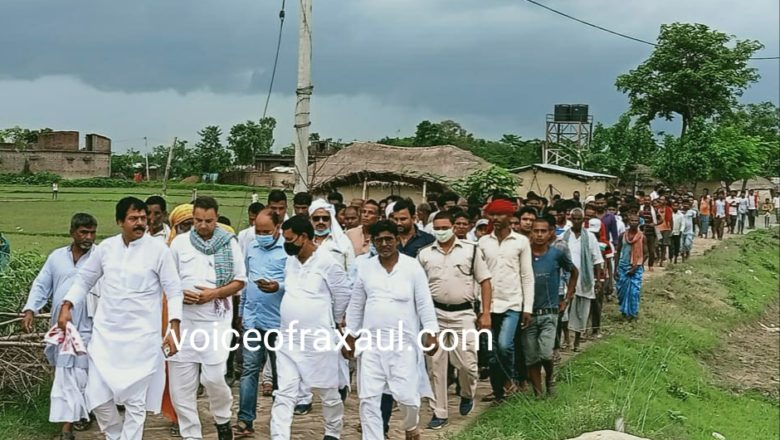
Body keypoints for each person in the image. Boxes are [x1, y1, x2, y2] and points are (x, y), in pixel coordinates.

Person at [57, 197, 184, 440]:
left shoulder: (159, 251)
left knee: (135, 403)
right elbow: (84, 280)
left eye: (143, 219)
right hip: (107, 337)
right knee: (98, 397)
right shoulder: (106, 248)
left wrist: (174, 324)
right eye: (133, 219)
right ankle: (115, 435)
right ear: (119, 221)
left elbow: (174, 290)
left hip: (142, 340)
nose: (140, 223)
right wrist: (67, 304)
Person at [345, 220, 440, 440]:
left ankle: (410, 428)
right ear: (373, 243)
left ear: (397, 240)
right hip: (371, 345)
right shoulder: (366, 268)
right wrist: (350, 336)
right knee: (369, 398)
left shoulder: (411, 267)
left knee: (408, 397)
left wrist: (431, 332)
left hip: (404, 344)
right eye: (380, 240)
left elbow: (424, 303)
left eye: (389, 239)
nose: (385, 244)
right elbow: (356, 305)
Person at [168, 196, 246, 440]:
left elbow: (240, 281)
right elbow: (167, 281)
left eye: (208, 221)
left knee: (213, 378)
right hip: (184, 321)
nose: (203, 226)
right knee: (180, 389)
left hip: (216, 321)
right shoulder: (179, 244)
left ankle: (222, 419)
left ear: (216, 218)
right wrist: (180, 294)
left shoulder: (229, 243)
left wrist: (214, 293)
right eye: (198, 220)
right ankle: (192, 435)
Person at [270, 215, 352, 440]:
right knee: (284, 393)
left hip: (318, 339)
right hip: (288, 339)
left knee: (329, 392)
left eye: (289, 239)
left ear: (304, 237)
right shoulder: (291, 261)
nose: (286, 244)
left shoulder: (327, 261)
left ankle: (333, 432)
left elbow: (343, 293)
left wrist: (334, 322)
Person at [22, 213, 98, 440]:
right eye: (83, 232)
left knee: (78, 373)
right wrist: (30, 310)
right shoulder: (57, 257)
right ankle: (79, 414)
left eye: (92, 232)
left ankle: (68, 427)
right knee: (65, 372)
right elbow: (41, 284)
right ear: (72, 232)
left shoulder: (101, 257)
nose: (89, 237)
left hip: (89, 325)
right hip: (61, 326)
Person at [417, 212, 492, 429]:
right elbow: (418, 289)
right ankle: (439, 411)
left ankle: (467, 393)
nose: (441, 232)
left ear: (454, 227)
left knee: (468, 364)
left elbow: (485, 281)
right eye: (437, 228)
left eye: (445, 227)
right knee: (436, 365)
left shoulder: (471, 250)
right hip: (435, 315)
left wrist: (485, 312)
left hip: (464, 314)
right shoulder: (424, 255)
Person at [234, 209, 287, 438]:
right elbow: (245, 280)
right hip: (253, 319)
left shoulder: (288, 250)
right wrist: (240, 312)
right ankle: (245, 419)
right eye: (258, 231)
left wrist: (278, 286)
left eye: (266, 231)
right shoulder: (252, 248)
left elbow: (295, 281)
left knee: (281, 373)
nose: (262, 235)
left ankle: (281, 420)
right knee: (249, 369)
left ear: (277, 227)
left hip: (278, 321)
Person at [478, 199, 535, 403]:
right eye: (492, 215)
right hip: (489, 305)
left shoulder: (520, 242)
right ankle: (500, 391)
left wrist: (527, 308)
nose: (496, 219)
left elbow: (527, 276)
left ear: (510, 217)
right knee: (491, 352)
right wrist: (480, 307)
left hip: (512, 303)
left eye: (500, 214)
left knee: (504, 345)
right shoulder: (483, 243)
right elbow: (478, 276)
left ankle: (510, 380)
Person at [523, 215, 577, 396]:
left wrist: (567, 297)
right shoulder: (524, 254)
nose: (539, 235)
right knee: (531, 356)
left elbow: (573, 272)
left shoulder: (556, 254)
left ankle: (550, 378)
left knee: (545, 353)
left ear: (550, 233)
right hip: (528, 313)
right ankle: (538, 393)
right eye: (535, 231)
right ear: (530, 233)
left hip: (550, 312)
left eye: (543, 231)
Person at [563, 208, 604, 352]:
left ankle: (577, 342)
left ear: (583, 220)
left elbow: (597, 259)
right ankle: (566, 339)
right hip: (567, 280)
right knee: (565, 311)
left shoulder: (590, 238)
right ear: (570, 220)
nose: (576, 221)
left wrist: (598, 279)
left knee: (582, 312)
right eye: (573, 219)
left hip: (584, 280)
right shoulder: (564, 237)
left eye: (579, 219)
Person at [616, 213, 647, 320]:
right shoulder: (622, 236)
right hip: (623, 266)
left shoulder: (642, 237)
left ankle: (633, 313)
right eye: (631, 221)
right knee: (622, 291)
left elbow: (646, 253)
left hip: (636, 268)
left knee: (634, 292)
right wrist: (616, 268)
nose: (633, 223)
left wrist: (638, 265)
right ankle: (624, 312)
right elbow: (618, 251)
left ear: (639, 223)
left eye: (636, 221)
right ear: (628, 222)